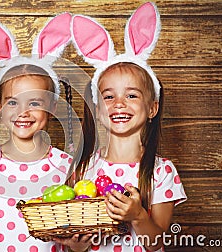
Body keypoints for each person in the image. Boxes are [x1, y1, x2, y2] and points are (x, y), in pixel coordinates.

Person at [58, 3, 187, 251]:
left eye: (131, 96)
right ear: (97, 110)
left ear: (152, 109)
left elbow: (157, 242)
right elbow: (79, 244)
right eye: (108, 97)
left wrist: (138, 215)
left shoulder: (161, 172)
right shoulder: (83, 169)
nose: (119, 104)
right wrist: (76, 244)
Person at [0, 13, 86, 251]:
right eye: (13, 102)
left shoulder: (67, 166)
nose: (24, 112)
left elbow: (75, 239)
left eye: (35, 103)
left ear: (52, 108)